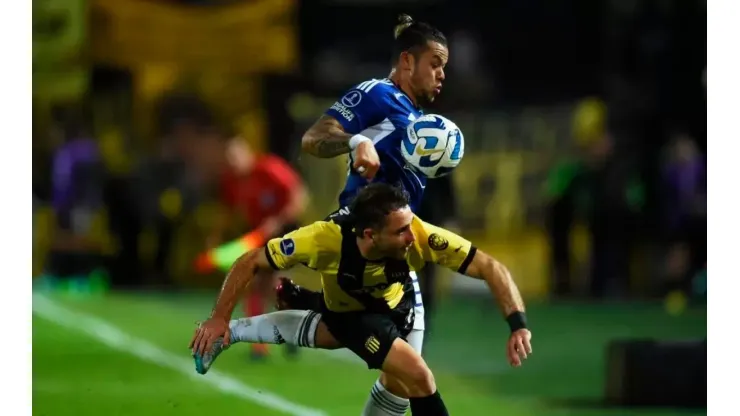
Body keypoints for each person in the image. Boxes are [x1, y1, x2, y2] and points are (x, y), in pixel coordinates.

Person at [190, 183, 533, 416]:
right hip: (353, 313)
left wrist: (517, 324)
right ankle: (230, 330)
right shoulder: (322, 240)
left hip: (402, 306)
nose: (411, 236)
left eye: (410, 225)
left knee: (397, 386)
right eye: (401, 231)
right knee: (419, 377)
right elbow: (250, 261)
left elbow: (490, 266)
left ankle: (235, 333)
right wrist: (217, 316)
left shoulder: (421, 236)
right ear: (370, 234)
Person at [275, 14, 450, 415]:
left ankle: (314, 303)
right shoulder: (377, 95)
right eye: (435, 63)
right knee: (415, 378)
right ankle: (315, 304)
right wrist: (356, 140)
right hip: (361, 243)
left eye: (444, 67)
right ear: (408, 62)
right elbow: (313, 138)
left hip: (396, 253)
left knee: (401, 384)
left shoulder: (418, 119)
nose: (442, 75)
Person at [209, 137, 308, 358]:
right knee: (259, 285)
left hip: (285, 234)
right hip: (258, 235)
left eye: (235, 157)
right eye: (229, 159)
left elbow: (299, 196)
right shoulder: (231, 181)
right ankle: (265, 343)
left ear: (247, 154)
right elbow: (227, 212)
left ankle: (286, 334)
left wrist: (278, 221)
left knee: (271, 285)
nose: (233, 163)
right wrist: (216, 240)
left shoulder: (269, 169)